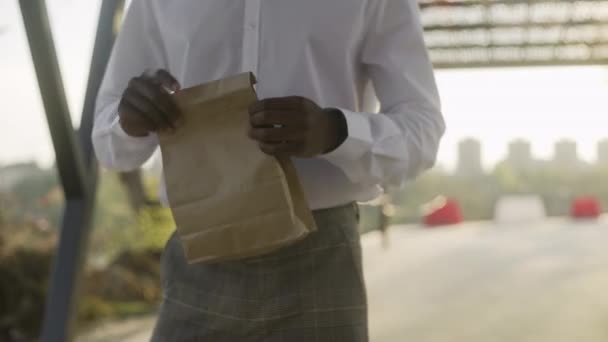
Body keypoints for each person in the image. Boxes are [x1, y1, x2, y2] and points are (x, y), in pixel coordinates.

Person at [92, 0, 444, 340]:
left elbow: (422, 128)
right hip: (198, 256)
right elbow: (107, 141)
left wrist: (336, 131)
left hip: (321, 264)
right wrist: (128, 122)